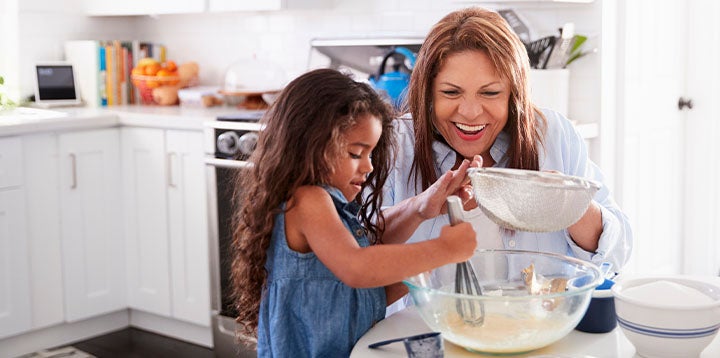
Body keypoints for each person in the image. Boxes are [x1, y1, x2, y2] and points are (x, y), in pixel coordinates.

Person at [381, 6, 633, 304]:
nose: (471, 112)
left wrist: (572, 206)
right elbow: (352, 257)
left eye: (490, 93)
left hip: (536, 331)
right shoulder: (395, 143)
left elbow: (617, 253)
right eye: (450, 93)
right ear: (427, 93)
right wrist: (418, 207)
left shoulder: (553, 135)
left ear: (514, 94)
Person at [229, 68, 477, 357]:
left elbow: (363, 283)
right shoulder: (307, 201)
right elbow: (358, 267)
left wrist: (422, 212)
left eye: (370, 153)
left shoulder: (327, 206)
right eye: (356, 153)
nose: (369, 166)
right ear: (311, 144)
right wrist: (443, 250)